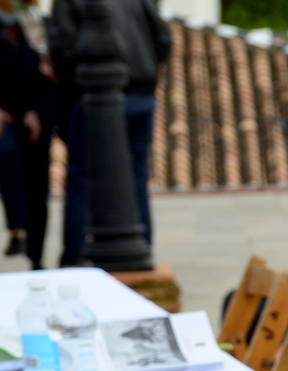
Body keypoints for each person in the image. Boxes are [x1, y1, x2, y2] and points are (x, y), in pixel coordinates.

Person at [48, 0, 169, 266]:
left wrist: (75, 84)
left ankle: (76, 257)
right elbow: (162, 38)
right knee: (136, 176)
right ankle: (141, 249)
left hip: (94, 94)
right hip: (140, 92)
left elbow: (62, 47)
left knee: (82, 178)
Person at [0, 0, 53, 270]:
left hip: (35, 118)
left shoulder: (36, 24)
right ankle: (16, 229)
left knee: (37, 190)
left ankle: (36, 254)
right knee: (8, 168)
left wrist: (37, 110)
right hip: (6, 118)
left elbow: (50, 76)